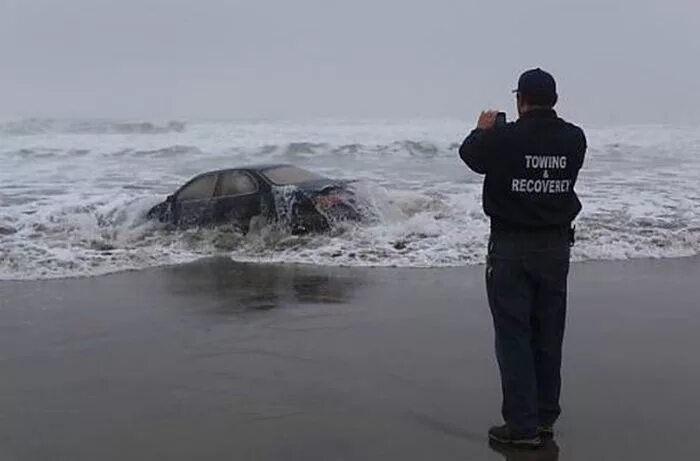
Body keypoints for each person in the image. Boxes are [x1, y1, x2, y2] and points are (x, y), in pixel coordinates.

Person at [458, 68, 587, 448]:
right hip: (555, 247)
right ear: (555, 100)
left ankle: (522, 425)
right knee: (548, 334)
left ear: (520, 100)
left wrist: (483, 128)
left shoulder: (503, 137)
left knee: (514, 335)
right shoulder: (574, 138)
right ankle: (545, 417)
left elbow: (471, 156)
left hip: (512, 247)